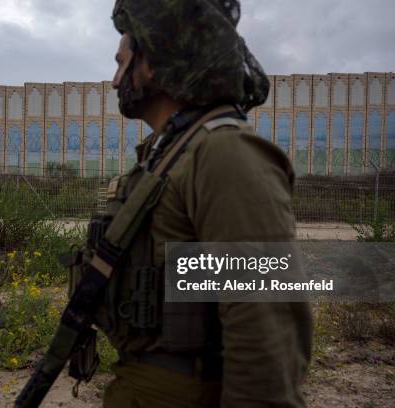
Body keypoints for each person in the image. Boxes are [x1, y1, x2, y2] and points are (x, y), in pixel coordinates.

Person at [94, 1, 314, 407]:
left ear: (154, 65)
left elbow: (264, 325)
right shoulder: (169, 153)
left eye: (122, 63)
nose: (114, 81)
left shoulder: (223, 153)